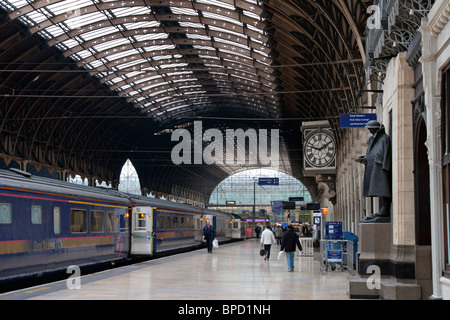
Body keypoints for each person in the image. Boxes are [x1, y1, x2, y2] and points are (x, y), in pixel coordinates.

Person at [355, 120, 392, 223]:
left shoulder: (383, 138)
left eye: (370, 128)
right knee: (379, 190)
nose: (369, 130)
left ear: (375, 128)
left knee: (383, 189)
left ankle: (384, 209)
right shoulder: (374, 139)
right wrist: (366, 159)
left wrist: (384, 167)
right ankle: (382, 210)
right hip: (375, 168)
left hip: (380, 169)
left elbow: (383, 154)